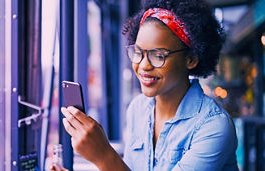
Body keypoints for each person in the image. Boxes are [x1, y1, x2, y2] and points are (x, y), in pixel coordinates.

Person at [54, 0, 239, 170]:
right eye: (138, 52)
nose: (143, 65)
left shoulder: (213, 127)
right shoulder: (138, 109)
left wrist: (103, 156)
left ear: (190, 59)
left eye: (158, 55)